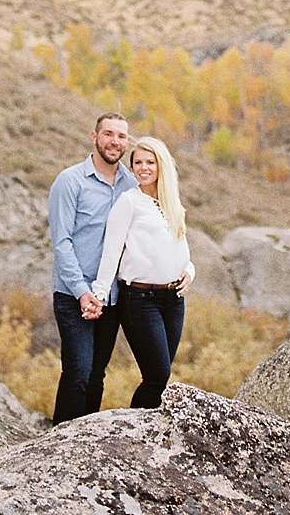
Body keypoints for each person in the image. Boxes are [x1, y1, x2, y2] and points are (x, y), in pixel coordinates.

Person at [91, 136, 195, 409]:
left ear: (161, 166)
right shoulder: (128, 202)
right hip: (140, 301)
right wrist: (99, 294)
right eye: (138, 162)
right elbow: (111, 252)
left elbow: (180, 245)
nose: (143, 167)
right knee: (156, 375)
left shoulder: (171, 203)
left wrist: (189, 271)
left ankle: (148, 434)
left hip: (174, 300)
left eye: (150, 162)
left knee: (161, 378)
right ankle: (133, 435)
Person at [47, 111, 137, 423]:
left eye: (121, 136)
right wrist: (83, 293)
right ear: (94, 137)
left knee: (97, 374)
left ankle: (84, 444)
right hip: (74, 294)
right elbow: (62, 243)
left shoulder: (133, 184)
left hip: (112, 296)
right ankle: (58, 445)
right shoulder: (70, 181)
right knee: (78, 371)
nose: (115, 141)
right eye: (109, 134)